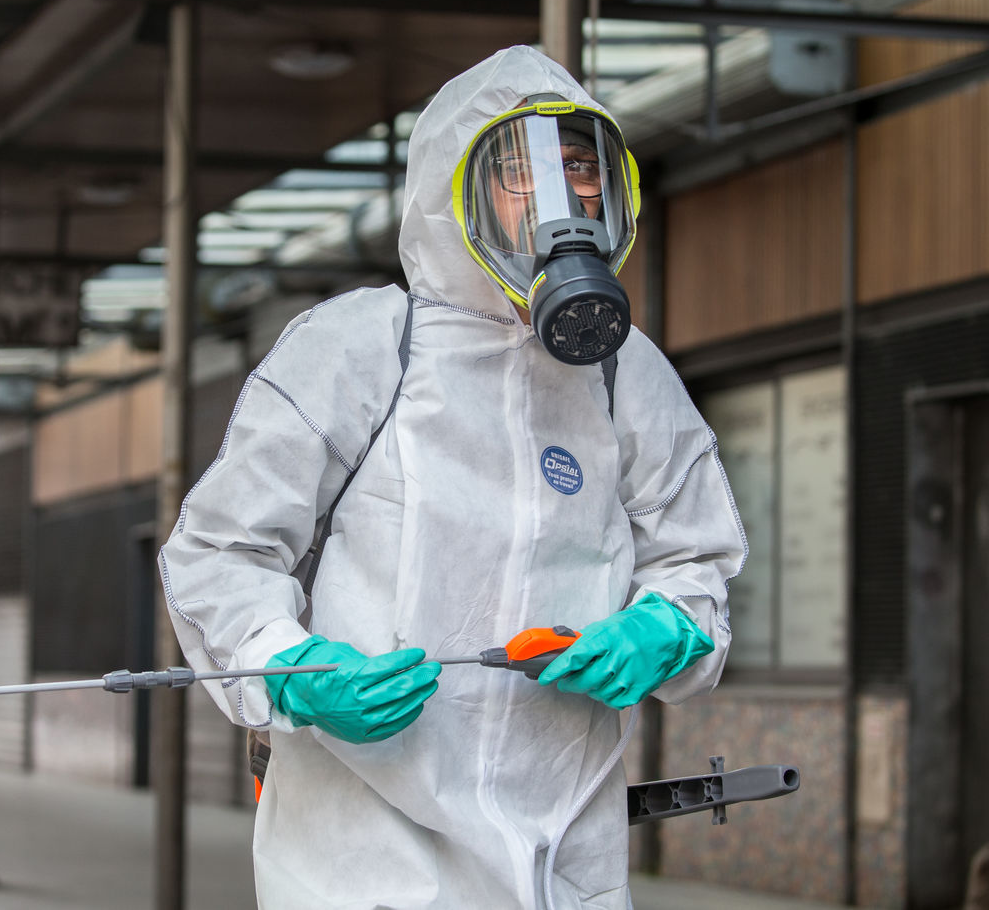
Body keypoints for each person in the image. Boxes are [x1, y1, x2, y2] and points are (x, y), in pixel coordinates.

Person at [160, 45, 746, 910]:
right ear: (454, 192)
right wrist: (291, 665)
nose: (561, 201)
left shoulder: (626, 374)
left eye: (580, 168)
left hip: (563, 858)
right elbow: (217, 552)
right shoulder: (364, 347)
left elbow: (698, 565)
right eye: (521, 172)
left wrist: (660, 627)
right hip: (363, 861)